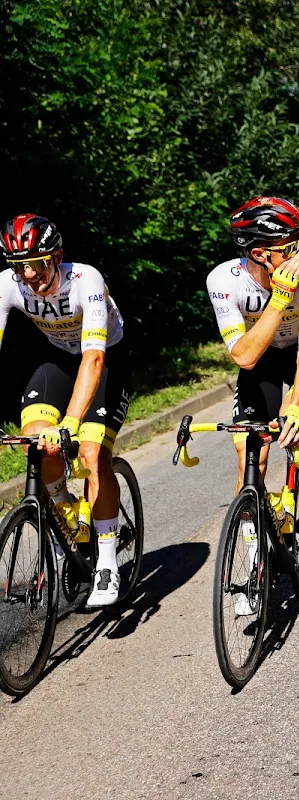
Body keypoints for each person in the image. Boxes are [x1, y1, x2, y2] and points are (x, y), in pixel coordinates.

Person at [207, 197, 299, 613]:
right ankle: (253, 563)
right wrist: (279, 300)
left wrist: (296, 407)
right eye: (290, 244)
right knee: (249, 453)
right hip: (259, 358)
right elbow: (243, 356)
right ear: (260, 252)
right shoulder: (224, 280)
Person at [0, 215, 131, 606]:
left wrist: (72, 423)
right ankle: (65, 513)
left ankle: (107, 560)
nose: (30, 276)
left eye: (38, 265)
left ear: (57, 257)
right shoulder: (8, 285)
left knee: (91, 454)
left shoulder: (85, 280)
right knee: (35, 444)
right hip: (56, 359)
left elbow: (93, 359)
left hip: (106, 360)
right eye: (19, 267)